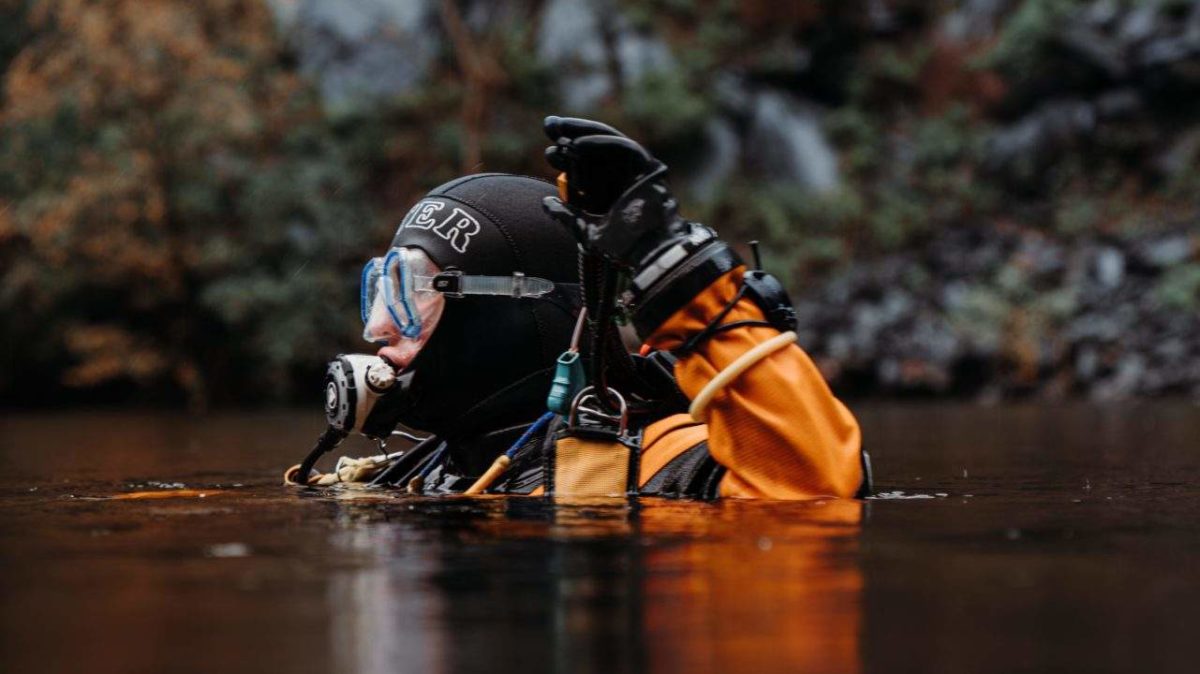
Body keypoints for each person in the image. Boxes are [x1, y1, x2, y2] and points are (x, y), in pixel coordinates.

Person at [338, 117, 870, 499]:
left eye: (415, 292)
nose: (380, 326)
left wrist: (684, 279)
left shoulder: (655, 464)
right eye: (384, 290)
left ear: (510, 317)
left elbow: (816, 486)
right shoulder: (422, 468)